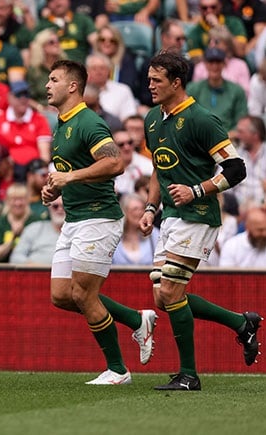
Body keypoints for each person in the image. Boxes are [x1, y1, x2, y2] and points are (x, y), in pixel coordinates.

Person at [139, 51, 260, 391]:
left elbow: (236, 169)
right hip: (172, 217)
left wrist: (196, 190)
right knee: (163, 297)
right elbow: (157, 169)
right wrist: (151, 208)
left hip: (198, 214)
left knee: (172, 291)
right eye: (149, 78)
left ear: (176, 83)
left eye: (156, 80)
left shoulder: (202, 119)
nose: (149, 85)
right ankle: (242, 324)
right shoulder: (152, 119)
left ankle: (189, 375)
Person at [42, 59, 157, 385]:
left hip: (99, 217)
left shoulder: (88, 122)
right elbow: (68, 171)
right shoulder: (62, 125)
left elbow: (114, 162)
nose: (47, 85)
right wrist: (52, 188)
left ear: (73, 86)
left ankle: (118, 370)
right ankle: (137, 319)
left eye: (54, 79)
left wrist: (69, 178)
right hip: (75, 218)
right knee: (62, 294)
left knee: (83, 294)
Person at [186, 47, 248, 134]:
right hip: (199, 137)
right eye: (211, 62)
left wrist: (230, 135)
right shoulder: (193, 89)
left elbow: (241, 120)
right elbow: (187, 118)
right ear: (205, 64)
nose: (214, 66)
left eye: (218, 62)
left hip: (228, 138)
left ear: (224, 64)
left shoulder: (236, 90)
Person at [0, 183, 40, 262]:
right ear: (7, 201)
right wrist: (13, 238)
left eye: (21, 199)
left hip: (30, 267)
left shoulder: (36, 221)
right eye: (14, 199)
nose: (18, 203)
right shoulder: (1, 222)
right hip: (4, 269)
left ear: (27, 200)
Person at [10, 196, 65, 265]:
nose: (60, 209)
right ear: (49, 207)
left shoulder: (76, 232)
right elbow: (15, 257)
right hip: (34, 274)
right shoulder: (34, 228)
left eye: (64, 206)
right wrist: (33, 265)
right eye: (55, 206)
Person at [112, 193, 159, 265]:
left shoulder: (154, 234)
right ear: (124, 212)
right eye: (135, 209)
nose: (140, 212)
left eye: (142, 208)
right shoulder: (114, 236)